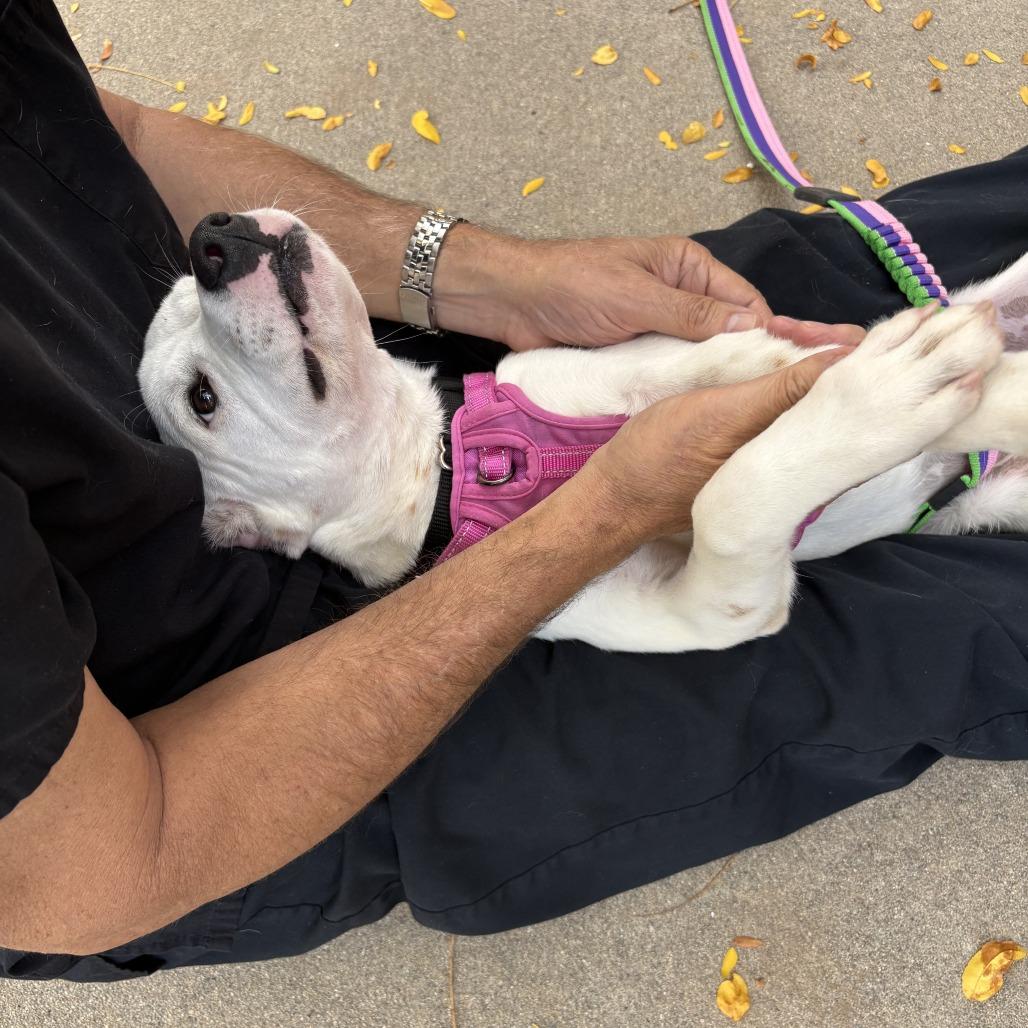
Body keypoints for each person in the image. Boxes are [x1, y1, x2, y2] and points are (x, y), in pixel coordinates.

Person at [1, 0, 1026, 983]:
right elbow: (102, 865)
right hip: (186, 771)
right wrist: (640, 496)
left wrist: (489, 273)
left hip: (422, 428)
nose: (210, 261)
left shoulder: (448, 384)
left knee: (843, 271)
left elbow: (107, 133)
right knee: (921, 634)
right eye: (203, 392)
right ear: (254, 524)